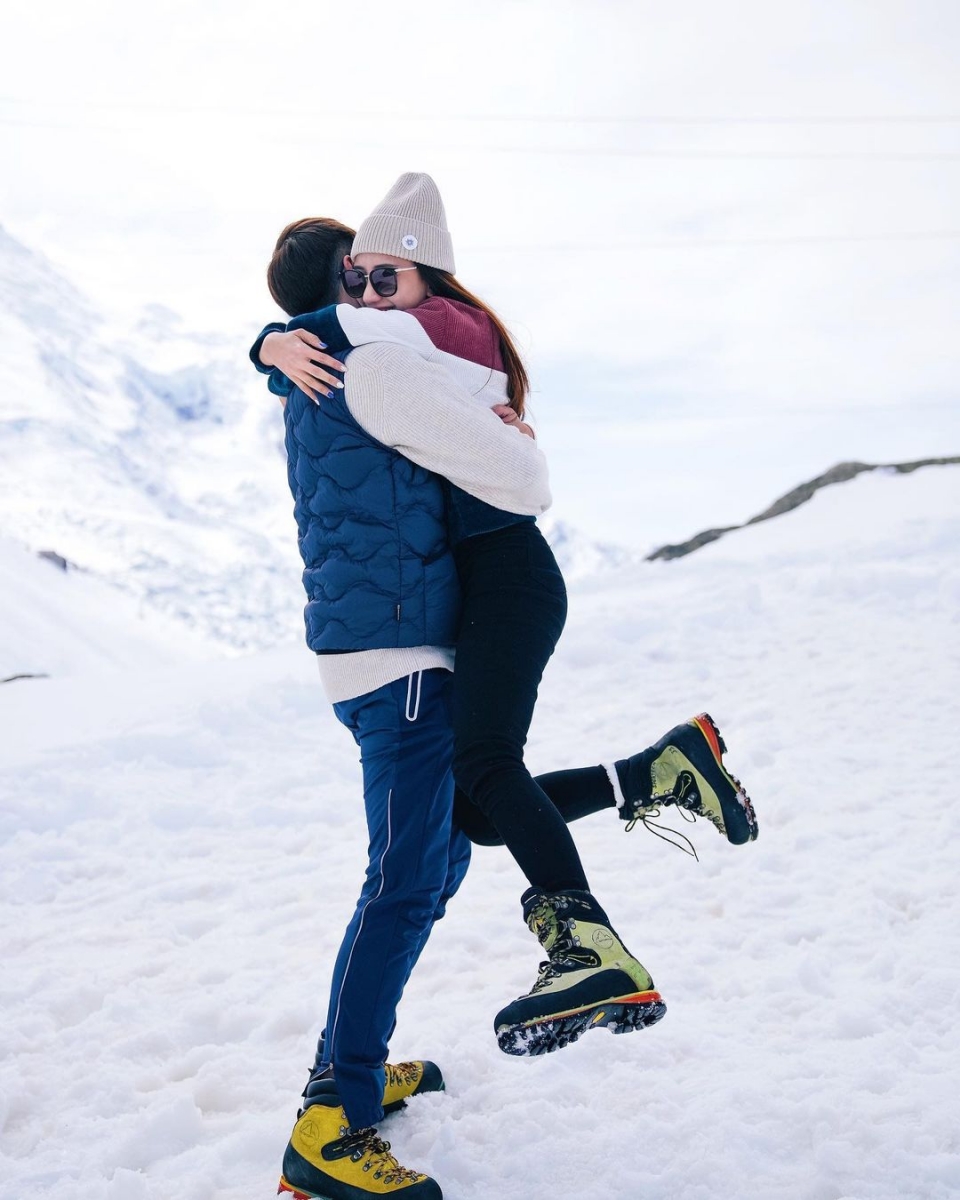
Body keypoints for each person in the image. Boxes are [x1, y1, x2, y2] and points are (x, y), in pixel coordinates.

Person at [251, 178, 757, 1200]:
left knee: (441, 860)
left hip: (398, 649)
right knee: (404, 882)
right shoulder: (351, 354)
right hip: (393, 659)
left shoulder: (336, 353)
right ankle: (329, 1120)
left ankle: (348, 1069)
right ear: (344, 288)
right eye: (362, 272)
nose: (380, 286)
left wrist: (267, 341)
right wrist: (270, 340)